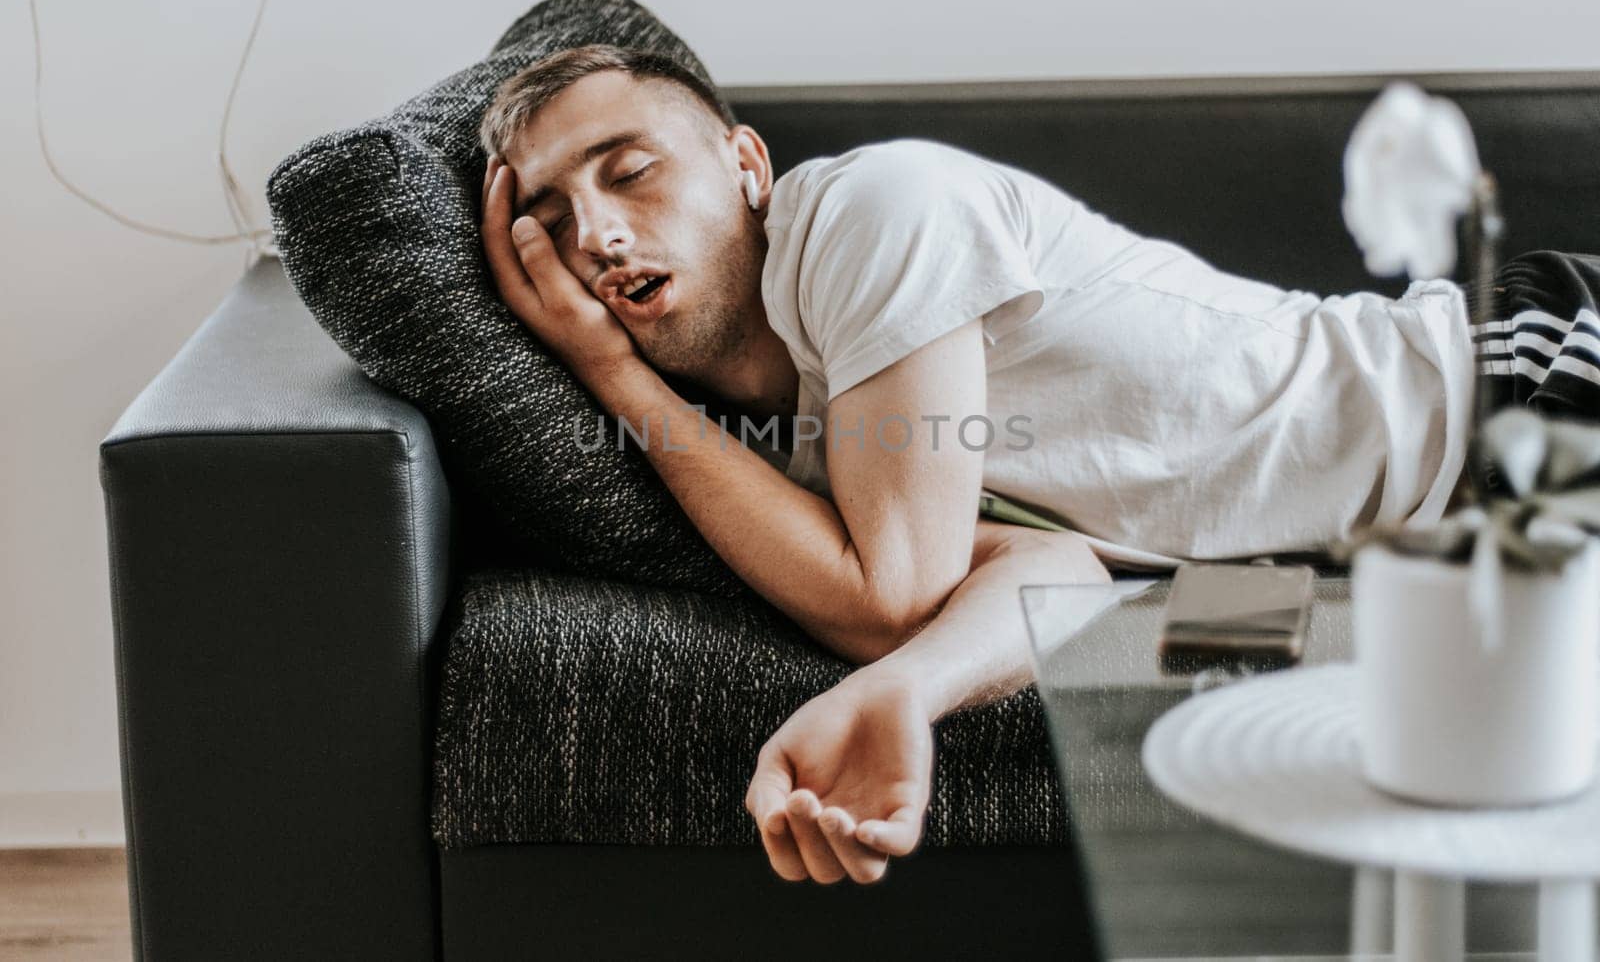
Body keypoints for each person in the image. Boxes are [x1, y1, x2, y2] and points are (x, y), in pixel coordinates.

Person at [476, 43, 1600, 886]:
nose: (596, 236)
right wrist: (902, 693)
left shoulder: (871, 212)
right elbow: (1064, 573)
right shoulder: (794, 446)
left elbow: (891, 591)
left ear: (747, 163)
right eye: (550, 218)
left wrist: (612, 379)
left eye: (628, 172)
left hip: (1511, 384)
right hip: (1392, 568)